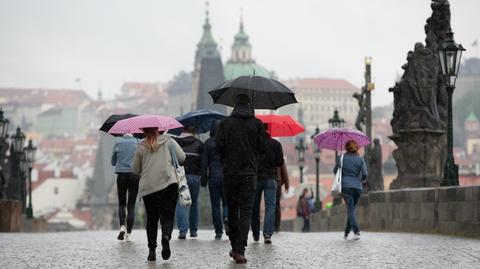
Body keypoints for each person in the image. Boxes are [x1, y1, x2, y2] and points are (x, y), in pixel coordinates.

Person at [215, 94, 266, 264]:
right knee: (246, 212)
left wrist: (226, 161)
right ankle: (240, 250)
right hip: (249, 174)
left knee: (232, 210)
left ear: (234, 105)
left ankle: (234, 247)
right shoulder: (257, 124)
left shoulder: (225, 123)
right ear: (250, 105)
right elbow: (262, 148)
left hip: (230, 173)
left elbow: (219, 147)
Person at [132, 127, 185, 261]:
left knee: (151, 219)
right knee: (167, 215)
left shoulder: (141, 146)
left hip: (149, 188)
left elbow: (135, 169)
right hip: (168, 184)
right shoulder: (169, 141)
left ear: (144, 131)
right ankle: (166, 235)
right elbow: (182, 157)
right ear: (158, 129)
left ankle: (151, 250)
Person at [251, 124, 284, 244]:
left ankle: (255, 233)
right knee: (270, 206)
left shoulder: (253, 145)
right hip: (271, 178)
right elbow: (280, 162)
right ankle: (267, 234)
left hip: (256, 178)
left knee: (254, 206)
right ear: (268, 130)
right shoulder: (275, 144)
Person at [333, 140, 368, 240]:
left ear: (346, 148)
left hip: (346, 187)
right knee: (351, 208)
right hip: (357, 187)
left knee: (350, 209)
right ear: (356, 148)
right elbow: (365, 174)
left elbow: (335, 170)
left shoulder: (342, 158)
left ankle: (356, 232)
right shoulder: (360, 159)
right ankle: (346, 232)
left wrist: (340, 165)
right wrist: (360, 181)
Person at [174, 125, 204, 239]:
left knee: (181, 203)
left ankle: (182, 231)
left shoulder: (176, 144)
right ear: (194, 131)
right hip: (195, 176)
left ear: (182, 130)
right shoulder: (199, 144)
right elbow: (203, 162)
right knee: (194, 203)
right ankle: (193, 231)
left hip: (180, 176)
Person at [201, 120, 228, 240]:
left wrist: (203, 179)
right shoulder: (227, 142)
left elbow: (204, 163)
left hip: (213, 178)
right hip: (226, 177)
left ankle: (218, 231)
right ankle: (227, 217)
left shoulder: (208, 143)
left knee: (215, 205)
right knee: (227, 203)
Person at [111, 133, 139, 242]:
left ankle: (122, 226)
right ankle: (129, 234)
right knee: (131, 205)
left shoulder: (117, 142)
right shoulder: (137, 142)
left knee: (122, 203)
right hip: (134, 176)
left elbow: (113, 162)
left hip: (121, 176)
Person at [275, 162, 289, 232]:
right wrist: (287, 185)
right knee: (277, 205)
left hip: (268, 181)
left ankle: (270, 225)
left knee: (269, 205)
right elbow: (284, 172)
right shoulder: (279, 156)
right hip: (277, 183)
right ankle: (277, 225)